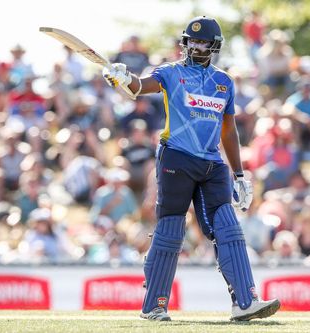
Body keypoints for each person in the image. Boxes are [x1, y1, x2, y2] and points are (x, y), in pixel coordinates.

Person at [102, 16, 280, 322]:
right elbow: (140, 87)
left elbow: (228, 130)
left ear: (214, 46)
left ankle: (245, 302)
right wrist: (122, 78)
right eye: (193, 41)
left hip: (212, 163)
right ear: (186, 43)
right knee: (172, 229)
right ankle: (154, 305)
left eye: (203, 42)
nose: (197, 46)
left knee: (228, 227)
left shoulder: (224, 82)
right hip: (176, 158)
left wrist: (239, 174)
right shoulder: (171, 73)